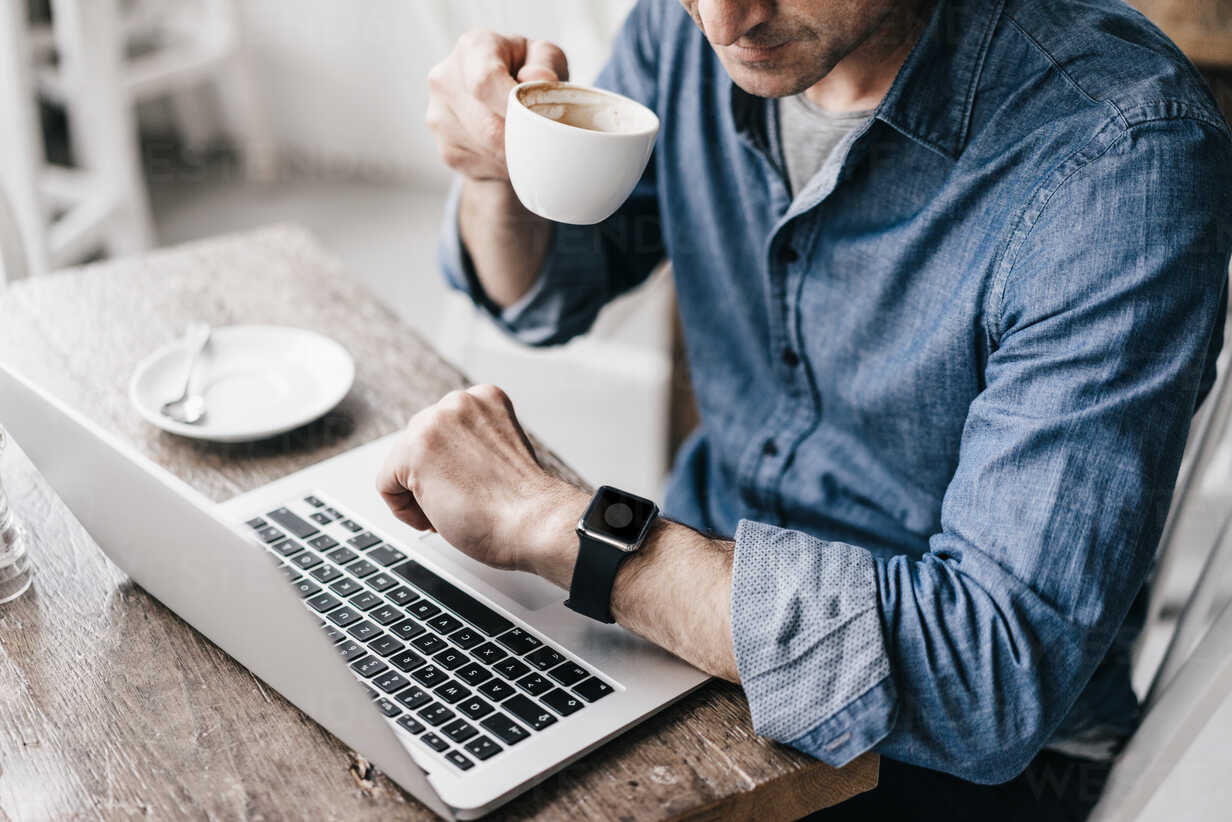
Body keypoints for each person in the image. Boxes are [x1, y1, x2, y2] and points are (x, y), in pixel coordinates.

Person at [376, 1, 1232, 818]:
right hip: (681, 630)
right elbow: (558, 282)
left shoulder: (1123, 155)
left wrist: (556, 525)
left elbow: (985, 682)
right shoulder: (692, 40)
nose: (721, 23)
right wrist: (496, 172)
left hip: (944, 758)